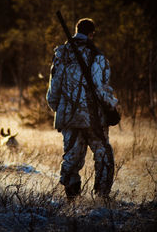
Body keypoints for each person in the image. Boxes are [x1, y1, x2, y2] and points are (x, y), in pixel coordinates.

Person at [46, 18, 118, 201]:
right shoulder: (97, 56)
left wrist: (60, 109)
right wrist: (112, 108)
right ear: (92, 33)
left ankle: (72, 196)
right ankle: (101, 197)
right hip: (93, 117)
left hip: (68, 116)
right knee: (103, 154)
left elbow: (54, 88)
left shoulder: (61, 53)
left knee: (71, 155)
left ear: (76, 30)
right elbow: (99, 87)